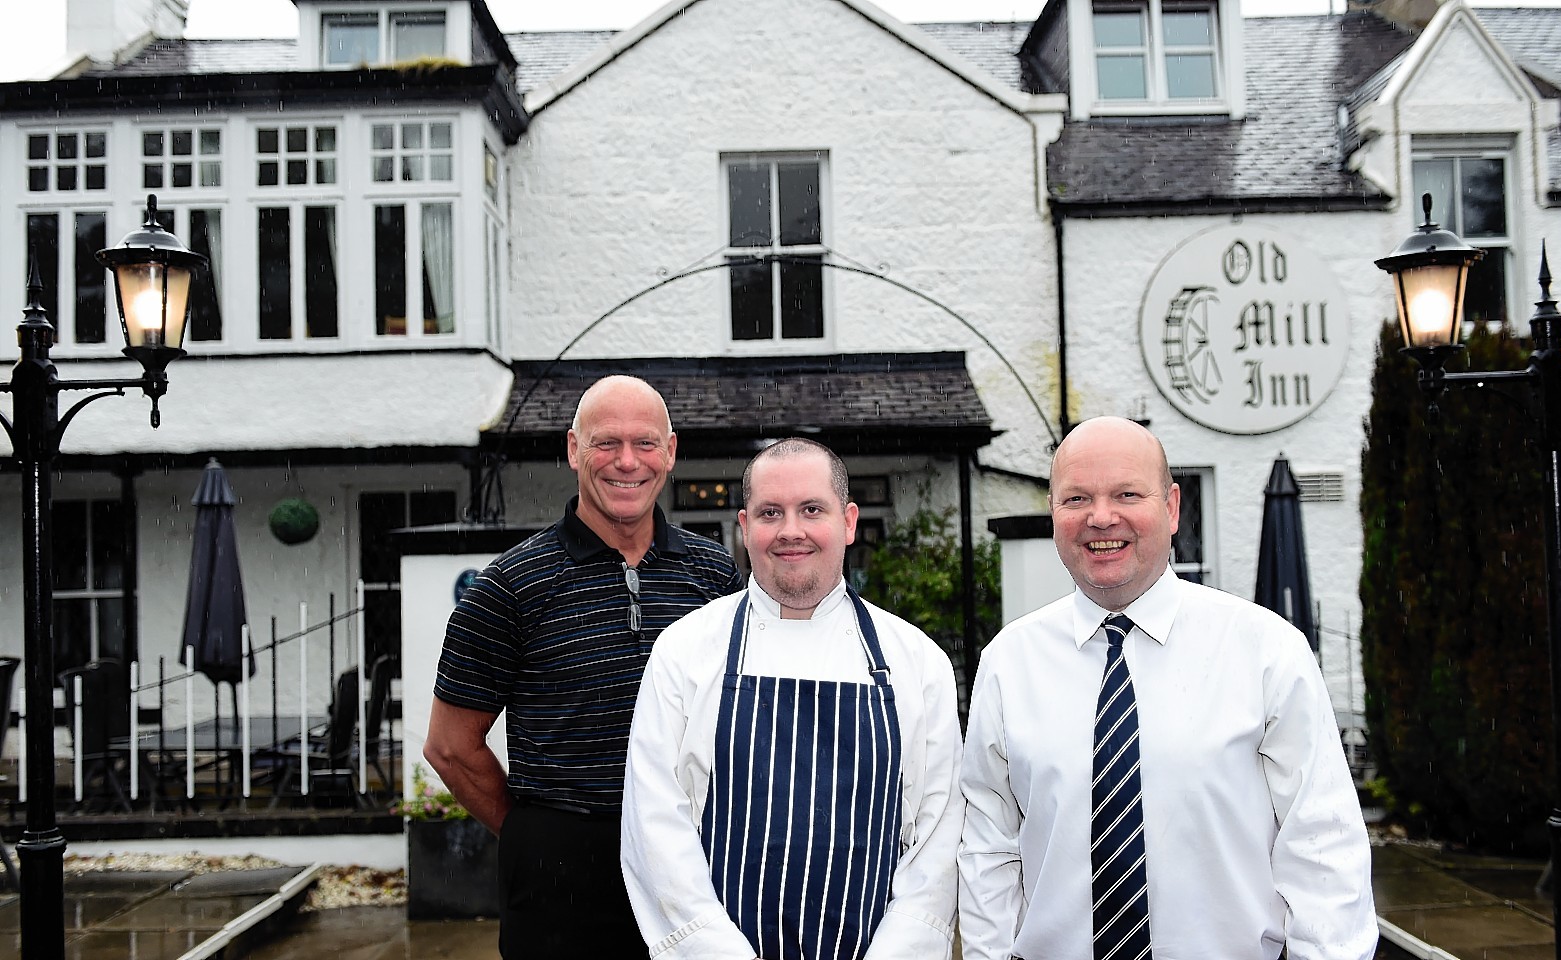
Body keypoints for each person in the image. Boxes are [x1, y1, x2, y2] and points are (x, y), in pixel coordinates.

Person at [958, 416, 1376, 960]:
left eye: (1127, 494)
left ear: (1173, 507)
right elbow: (989, 845)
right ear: (1054, 512)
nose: (1100, 517)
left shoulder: (1267, 652)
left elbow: (1323, 843)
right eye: (1076, 498)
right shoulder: (1008, 664)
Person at [424, 375, 743, 958]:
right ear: (574, 450)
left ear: (670, 453)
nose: (628, 461)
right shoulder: (510, 586)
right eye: (606, 443)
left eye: (645, 443)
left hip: (696, 862)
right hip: (559, 880)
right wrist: (535, 838)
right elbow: (449, 747)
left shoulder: (715, 576)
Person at [621, 438, 964, 960]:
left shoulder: (917, 664)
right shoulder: (685, 653)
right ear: (744, 527)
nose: (790, 531)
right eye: (770, 513)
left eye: (811, 510)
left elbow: (936, 844)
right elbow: (655, 832)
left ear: (848, 522)